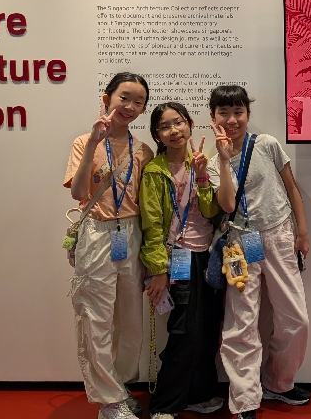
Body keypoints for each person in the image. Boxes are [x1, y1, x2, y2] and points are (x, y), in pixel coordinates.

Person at [207, 85, 311, 419]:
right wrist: (225, 159)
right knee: (241, 322)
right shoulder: (214, 163)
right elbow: (226, 204)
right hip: (239, 243)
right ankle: (245, 399)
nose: (231, 120)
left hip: (279, 235)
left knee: (295, 318)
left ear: (248, 114)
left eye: (238, 112)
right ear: (213, 117)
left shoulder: (267, 144)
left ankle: (278, 382)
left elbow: (292, 188)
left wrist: (302, 231)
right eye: (223, 113)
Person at [64, 72, 155, 419]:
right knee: (97, 317)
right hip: (98, 232)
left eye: (138, 102)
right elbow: (77, 192)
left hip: (131, 234)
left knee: (130, 320)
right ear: (107, 99)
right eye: (124, 98)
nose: (130, 106)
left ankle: (118, 386)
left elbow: (146, 204)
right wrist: (92, 144)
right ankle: (109, 400)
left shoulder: (143, 151)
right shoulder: (83, 142)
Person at [140, 102, 226, 419]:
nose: (174, 130)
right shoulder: (154, 172)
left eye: (178, 122)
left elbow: (211, 211)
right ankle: (165, 404)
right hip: (176, 256)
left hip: (207, 256)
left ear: (189, 124)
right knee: (184, 332)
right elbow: (151, 226)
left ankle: (199, 394)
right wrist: (158, 270)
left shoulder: (200, 163)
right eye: (165, 126)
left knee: (206, 329)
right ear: (157, 135)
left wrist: (202, 177)